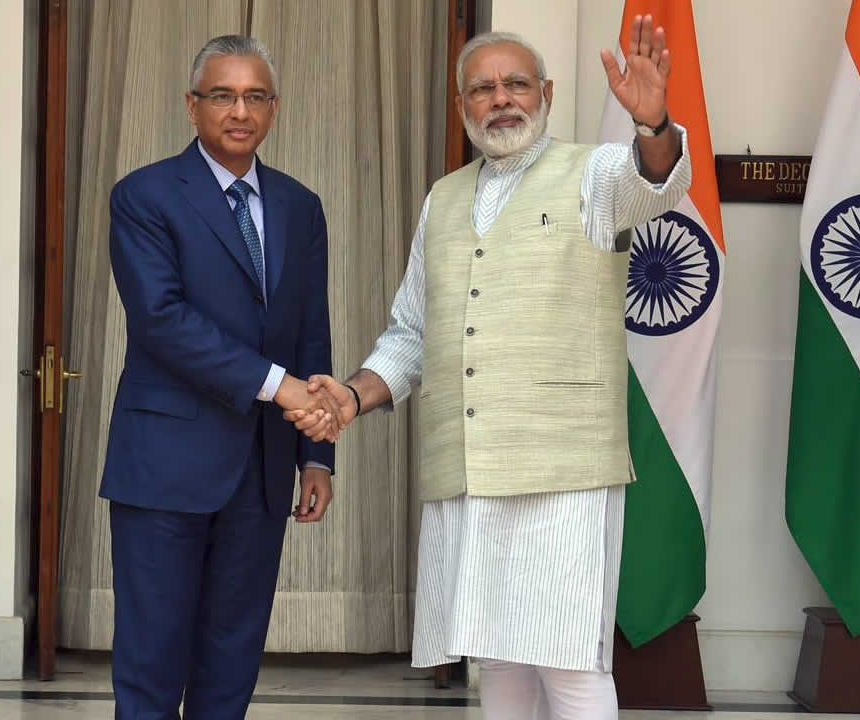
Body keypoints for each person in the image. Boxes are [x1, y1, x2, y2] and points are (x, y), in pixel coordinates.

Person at [286, 17, 692, 720]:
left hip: (562, 467)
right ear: (462, 106)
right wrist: (350, 397)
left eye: (516, 84)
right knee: (497, 654)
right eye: (482, 89)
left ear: (547, 94)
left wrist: (653, 124)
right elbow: (413, 333)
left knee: (569, 658)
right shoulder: (443, 198)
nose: (501, 99)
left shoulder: (594, 173)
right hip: (468, 467)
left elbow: (653, 185)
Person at [101, 34, 342, 720]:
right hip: (164, 467)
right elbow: (162, 320)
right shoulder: (144, 195)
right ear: (193, 105)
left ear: (274, 108)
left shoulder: (299, 206)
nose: (240, 111)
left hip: (262, 473)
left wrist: (316, 454)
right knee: (151, 662)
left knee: (231, 664)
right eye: (223, 96)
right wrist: (278, 385)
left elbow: (311, 330)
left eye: (255, 96)